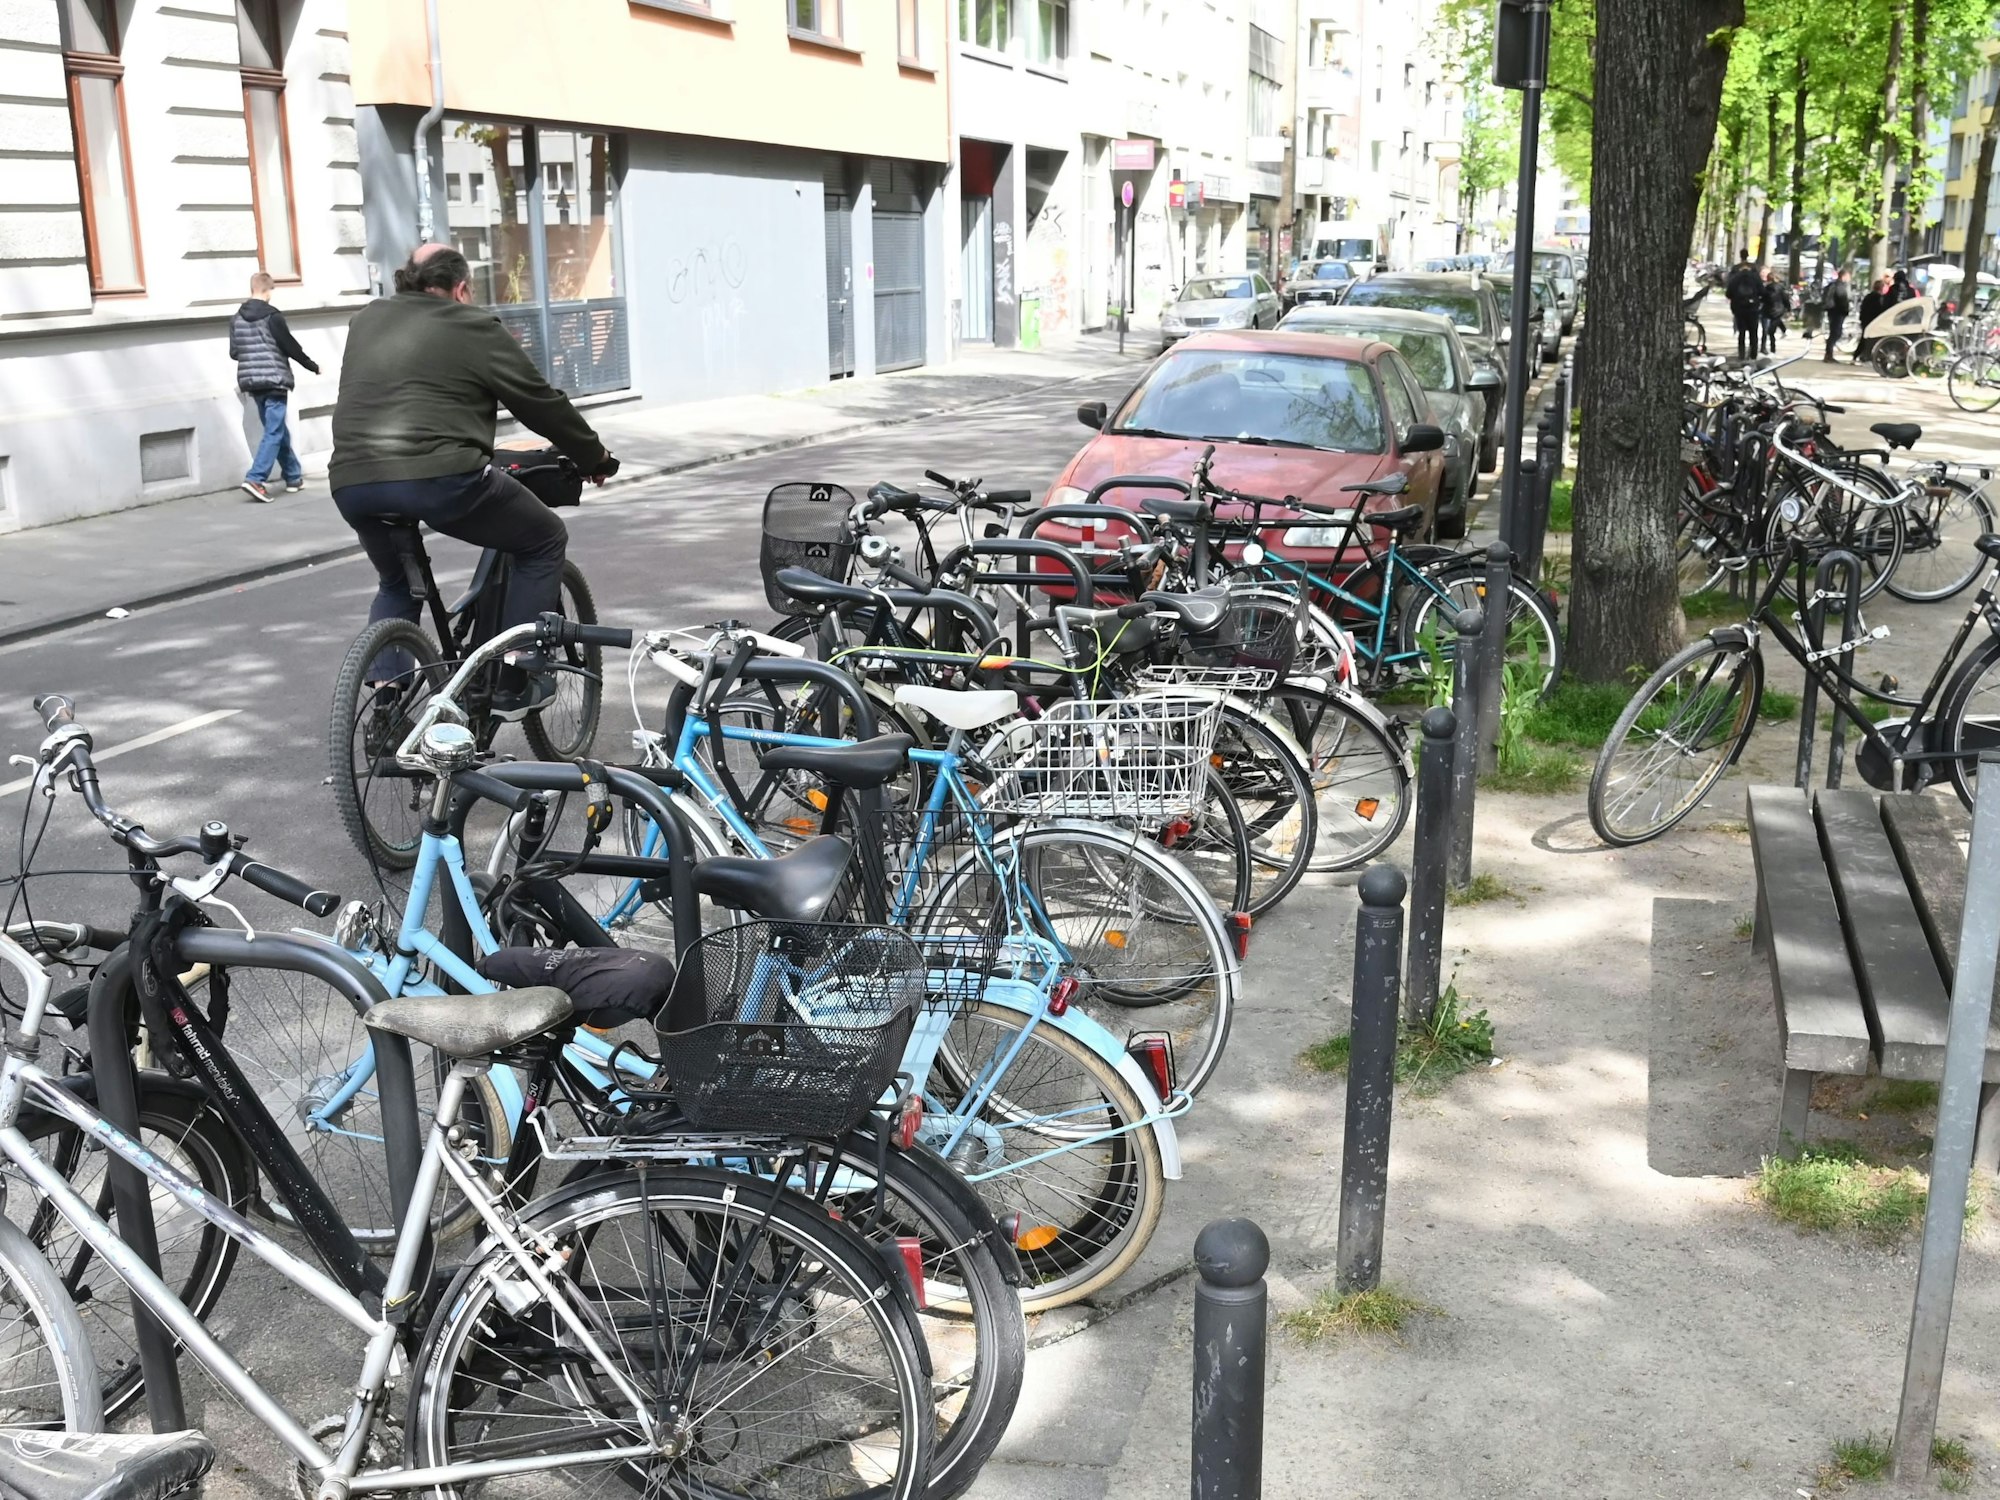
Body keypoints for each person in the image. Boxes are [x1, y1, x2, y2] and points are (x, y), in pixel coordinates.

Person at [330, 244, 618, 716]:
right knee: (544, 539)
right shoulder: (472, 325)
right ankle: (516, 675)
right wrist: (594, 457)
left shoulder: (366, 320)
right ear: (461, 288)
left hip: (352, 481)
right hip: (440, 477)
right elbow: (538, 401)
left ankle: (385, 705)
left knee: (397, 585)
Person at [230, 271, 320, 502]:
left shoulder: (236, 318)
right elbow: (290, 347)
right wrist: (312, 365)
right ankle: (255, 478)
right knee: (274, 430)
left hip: (252, 382)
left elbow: (234, 353)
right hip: (274, 379)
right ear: (268, 291)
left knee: (277, 429)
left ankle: (293, 477)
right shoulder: (273, 317)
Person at [1724, 249, 1763, 361]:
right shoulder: (1754, 272)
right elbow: (1762, 291)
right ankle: (1753, 355)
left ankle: (1741, 355)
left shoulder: (1735, 272)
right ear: (1748, 255)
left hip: (1739, 307)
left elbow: (1728, 293)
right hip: (1753, 307)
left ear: (1740, 256)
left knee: (1742, 332)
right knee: (1753, 332)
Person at [1855, 275, 1893, 363]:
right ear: (1881, 288)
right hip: (1873, 321)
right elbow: (1879, 309)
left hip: (1865, 320)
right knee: (1871, 339)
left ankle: (1858, 355)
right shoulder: (1879, 298)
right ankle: (1866, 356)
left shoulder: (1868, 296)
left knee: (1864, 338)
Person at [1822, 269, 1852, 361]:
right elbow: (1841, 298)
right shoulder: (1840, 286)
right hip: (1838, 312)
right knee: (1836, 333)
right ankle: (1828, 353)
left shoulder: (1833, 284)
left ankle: (1828, 353)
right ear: (1844, 276)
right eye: (1848, 277)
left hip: (1831, 310)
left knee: (1833, 332)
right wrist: (1846, 309)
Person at [1760, 269, 1787, 354]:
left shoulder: (1766, 288)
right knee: (1771, 332)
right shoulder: (1781, 288)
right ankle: (1772, 349)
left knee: (1765, 331)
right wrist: (1788, 309)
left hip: (1766, 311)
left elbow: (1762, 299)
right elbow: (1785, 299)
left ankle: (1763, 347)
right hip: (1777, 311)